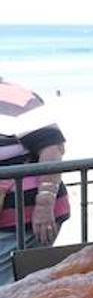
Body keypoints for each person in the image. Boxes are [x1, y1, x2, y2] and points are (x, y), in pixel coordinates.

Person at [0, 79, 70, 284]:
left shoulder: (17, 98)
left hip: (25, 219)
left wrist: (44, 203)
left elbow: (52, 148)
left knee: (7, 290)